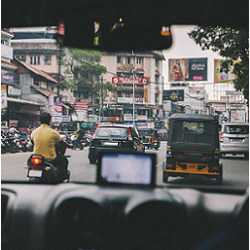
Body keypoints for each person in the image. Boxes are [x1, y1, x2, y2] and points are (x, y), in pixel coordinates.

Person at [31, 112, 73, 181]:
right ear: (49, 121)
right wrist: (69, 146)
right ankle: (61, 178)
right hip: (49, 157)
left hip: (36, 156)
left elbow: (32, 142)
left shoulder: (34, 132)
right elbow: (62, 143)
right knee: (64, 161)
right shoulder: (53, 132)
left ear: (40, 120)